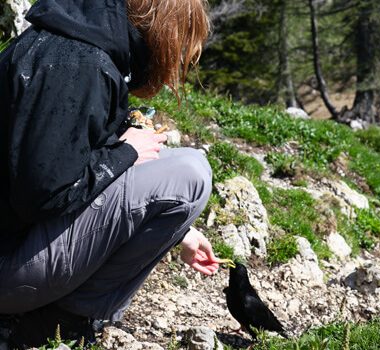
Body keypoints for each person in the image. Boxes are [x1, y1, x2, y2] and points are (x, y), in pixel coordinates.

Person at [0, 0, 220, 347]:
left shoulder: (63, 43)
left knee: (166, 165)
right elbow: (43, 194)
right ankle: (54, 324)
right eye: (179, 46)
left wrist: (180, 234)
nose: (174, 61)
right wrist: (125, 152)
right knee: (190, 173)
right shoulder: (79, 64)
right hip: (8, 268)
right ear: (162, 28)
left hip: (11, 249)